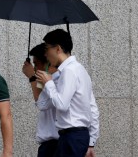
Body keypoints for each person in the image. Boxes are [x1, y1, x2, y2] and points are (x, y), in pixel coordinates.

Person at [34, 29, 99, 157]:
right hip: (77, 136)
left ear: (58, 49)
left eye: (47, 49)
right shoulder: (80, 70)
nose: (46, 54)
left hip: (71, 136)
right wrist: (91, 141)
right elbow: (92, 107)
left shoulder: (69, 71)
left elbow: (62, 104)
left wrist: (48, 83)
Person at [21, 44, 59, 157]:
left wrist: (32, 77)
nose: (35, 69)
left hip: (55, 144)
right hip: (49, 145)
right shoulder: (51, 81)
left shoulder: (57, 80)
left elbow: (41, 102)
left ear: (48, 62)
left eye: (36, 64)